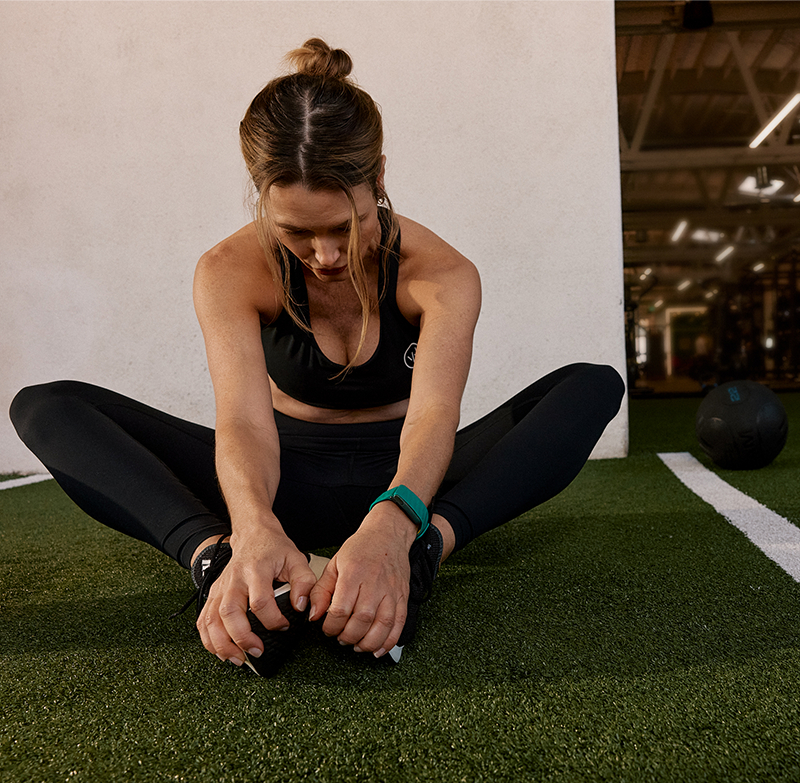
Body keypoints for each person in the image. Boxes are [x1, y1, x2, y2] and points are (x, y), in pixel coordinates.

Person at [9, 39, 625, 676]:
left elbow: (434, 417)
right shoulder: (229, 270)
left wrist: (397, 522)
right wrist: (252, 524)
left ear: (378, 177)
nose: (325, 255)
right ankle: (219, 561)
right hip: (284, 478)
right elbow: (243, 422)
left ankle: (420, 556)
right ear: (261, 197)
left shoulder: (441, 273)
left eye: (344, 226)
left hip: (411, 476)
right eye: (296, 232)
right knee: (46, 408)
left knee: (591, 386)